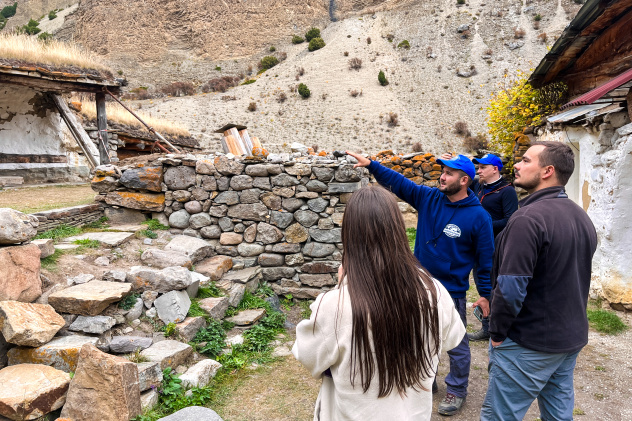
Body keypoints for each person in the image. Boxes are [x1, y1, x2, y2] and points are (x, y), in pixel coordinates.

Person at [292, 185, 466, 421]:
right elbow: (452, 338)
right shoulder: (435, 292)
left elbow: (308, 355)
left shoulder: (334, 304)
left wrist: (341, 287)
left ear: (349, 234)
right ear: (398, 229)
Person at [346, 151, 494, 416]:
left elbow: (485, 263)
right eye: (443, 171)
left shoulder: (479, 217)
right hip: (417, 287)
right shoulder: (429, 198)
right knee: (420, 336)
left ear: (463, 181)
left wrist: (485, 295)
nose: (442, 176)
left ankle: (457, 390)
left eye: (449, 173)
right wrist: (372, 165)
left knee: (456, 345)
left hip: (452, 293)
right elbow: (400, 183)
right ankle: (427, 380)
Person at [481, 142, 597, 421]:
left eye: (524, 160)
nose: (517, 166)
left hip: (530, 342)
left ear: (547, 171)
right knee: (558, 417)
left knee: (499, 416)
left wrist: (496, 333)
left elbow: (510, 289)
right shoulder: (581, 216)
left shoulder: (528, 219)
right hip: (570, 338)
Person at [468, 153, 518, 342]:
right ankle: (487, 327)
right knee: (482, 285)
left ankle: (498, 327)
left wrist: (483, 225)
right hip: (477, 245)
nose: (478, 171)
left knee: (494, 286)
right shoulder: (477, 185)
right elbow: (460, 179)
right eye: (477, 167)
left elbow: (510, 220)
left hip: (496, 247)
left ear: (495, 169)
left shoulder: (507, 191)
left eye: (482, 167)